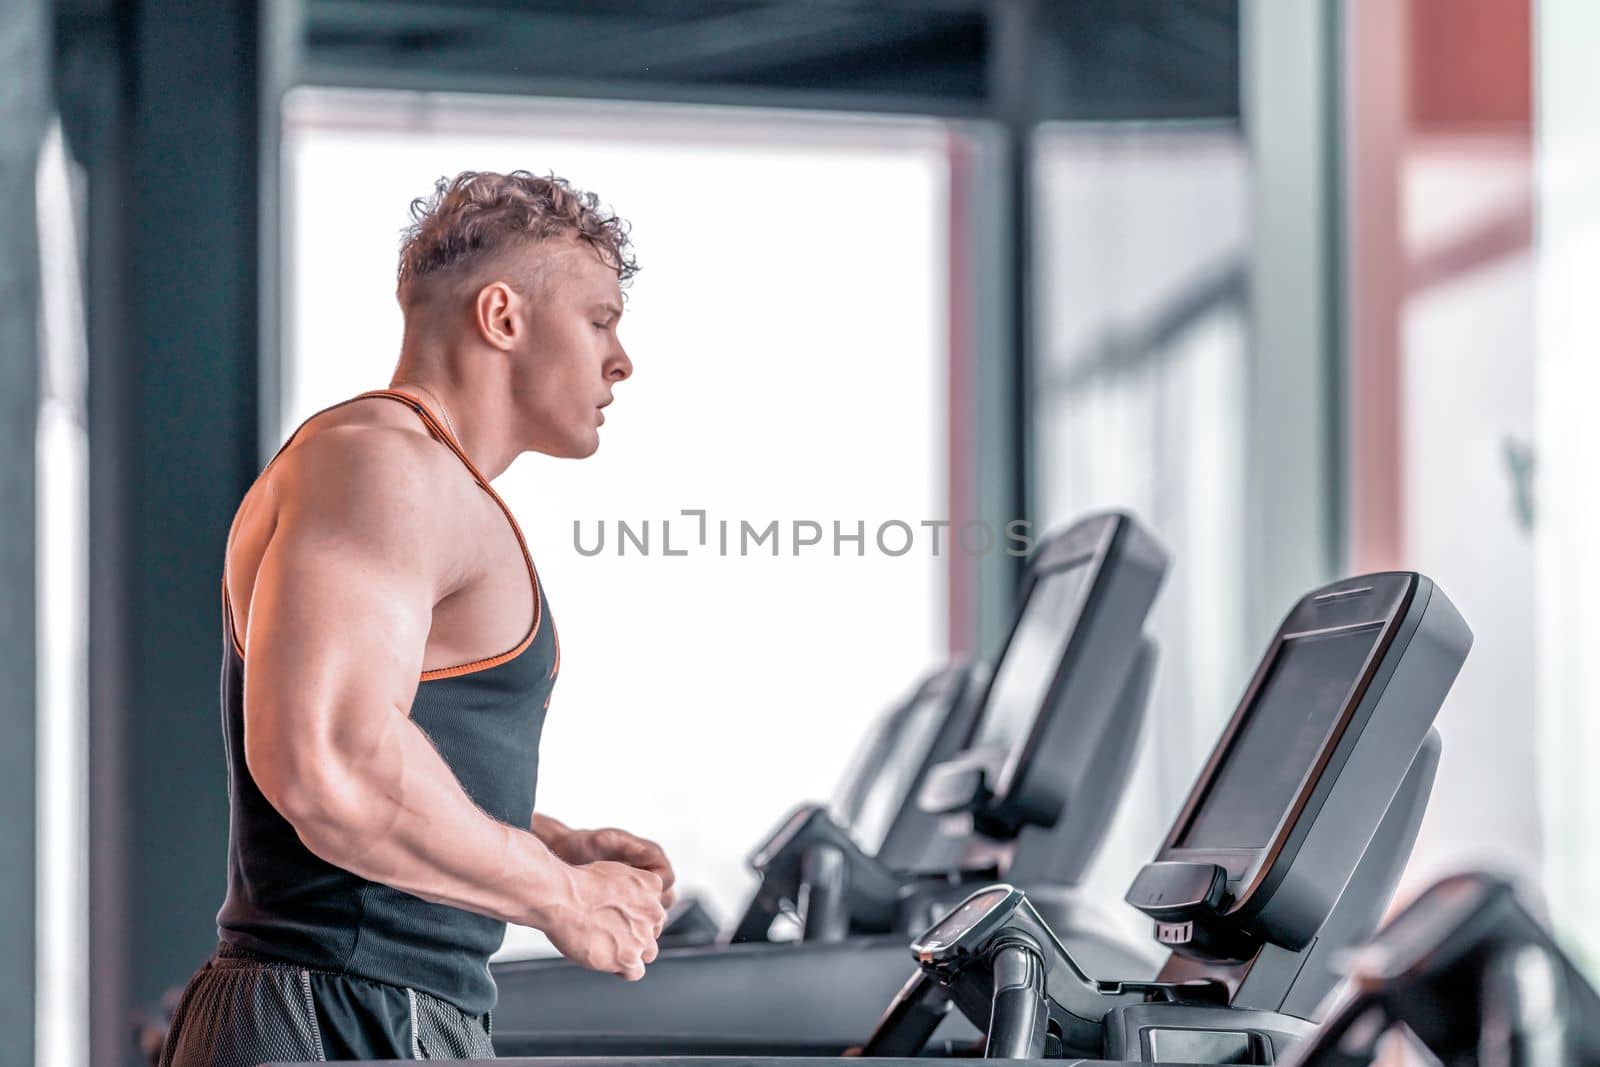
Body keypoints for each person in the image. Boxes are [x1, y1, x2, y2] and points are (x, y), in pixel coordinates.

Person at [160, 170, 672, 1064]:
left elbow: (386, 743)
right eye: (601, 319)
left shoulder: (410, 475)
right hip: (340, 1007)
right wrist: (559, 893)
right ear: (503, 317)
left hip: (366, 1003)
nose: (621, 359)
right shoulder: (384, 467)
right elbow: (332, 764)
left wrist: (548, 838)